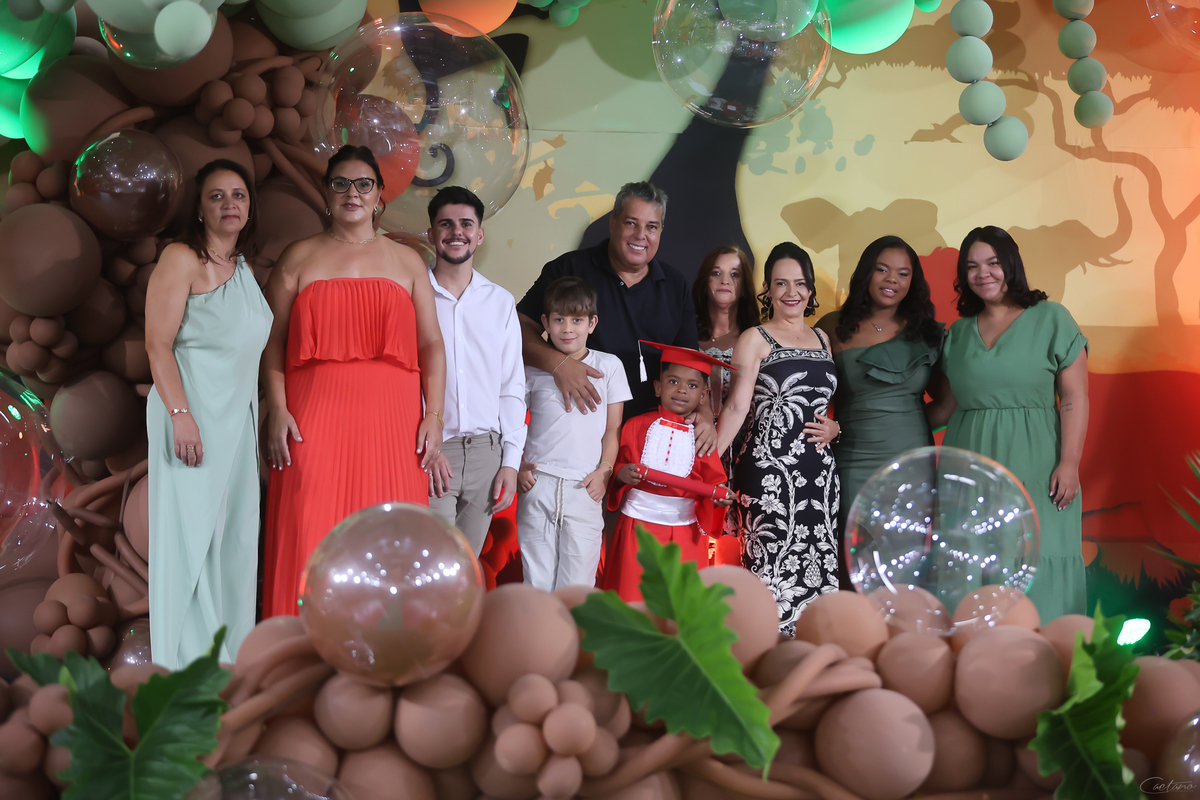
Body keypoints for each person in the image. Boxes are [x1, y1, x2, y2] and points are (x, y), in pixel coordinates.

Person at [261, 145, 446, 618]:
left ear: (380, 195)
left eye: (364, 184)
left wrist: (435, 416)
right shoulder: (298, 257)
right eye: (340, 183)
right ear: (327, 192)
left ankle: (386, 648)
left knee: (388, 537)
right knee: (310, 528)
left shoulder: (408, 261)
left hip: (394, 423)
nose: (353, 193)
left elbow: (432, 345)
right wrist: (277, 408)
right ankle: (301, 646)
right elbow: (271, 343)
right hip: (312, 419)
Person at [145, 159, 271, 667]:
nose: (229, 204)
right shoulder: (181, 258)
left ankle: (228, 665)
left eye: (238, 195)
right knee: (192, 541)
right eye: (216, 196)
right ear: (199, 209)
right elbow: (157, 344)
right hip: (191, 414)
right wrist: (181, 414)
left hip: (236, 422)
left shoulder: (243, 269)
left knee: (234, 541)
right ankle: (184, 668)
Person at [927, 226, 1089, 621]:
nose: (983, 273)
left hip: (1036, 462)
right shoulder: (957, 334)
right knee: (969, 559)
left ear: (1011, 264)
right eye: (972, 266)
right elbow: (945, 407)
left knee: (1038, 555)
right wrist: (877, 417)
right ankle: (973, 653)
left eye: (993, 263)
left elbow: (1074, 397)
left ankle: (1045, 653)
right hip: (968, 467)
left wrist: (1069, 463)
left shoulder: (1052, 318)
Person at [516, 183, 713, 450]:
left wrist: (703, 410)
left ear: (660, 231)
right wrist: (558, 364)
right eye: (631, 223)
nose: (640, 235)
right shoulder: (568, 268)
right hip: (572, 429)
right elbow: (518, 327)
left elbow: (691, 362)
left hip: (645, 439)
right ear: (612, 223)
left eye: (651, 227)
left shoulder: (676, 285)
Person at [716, 243, 842, 635]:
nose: (792, 292)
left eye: (800, 283)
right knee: (768, 569)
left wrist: (836, 428)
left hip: (820, 477)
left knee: (820, 567)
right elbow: (737, 407)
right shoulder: (754, 338)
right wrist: (709, 462)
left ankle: (815, 654)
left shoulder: (822, 338)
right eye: (781, 283)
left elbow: (826, 403)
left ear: (810, 289)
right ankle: (765, 655)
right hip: (768, 474)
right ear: (767, 289)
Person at [815, 235, 944, 533]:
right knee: (854, 551)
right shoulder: (831, 326)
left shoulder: (927, 333)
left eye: (903, 273)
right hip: (852, 460)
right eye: (882, 269)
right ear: (866, 273)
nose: (892, 280)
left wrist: (898, 425)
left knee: (907, 553)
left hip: (912, 462)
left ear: (913, 281)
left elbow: (946, 403)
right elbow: (811, 394)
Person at [425, 186, 527, 555]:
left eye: (466, 224)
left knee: (465, 569)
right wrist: (427, 449)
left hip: (488, 455)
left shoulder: (500, 302)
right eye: (446, 224)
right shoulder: (414, 297)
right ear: (432, 234)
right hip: (434, 455)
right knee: (431, 567)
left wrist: (510, 462)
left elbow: (511, 385)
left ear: (479, 235)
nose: (457, 232)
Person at [517, 277, 630, 590]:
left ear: (592, 323)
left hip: (584, 487)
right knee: (536, 582)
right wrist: (518, 465)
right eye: (559, 320)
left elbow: (613, 429)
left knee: (578, 586)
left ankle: (571, 628)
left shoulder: (610, 366)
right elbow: (513, 423)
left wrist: (605, 471)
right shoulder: (532, 369)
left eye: (577, 320)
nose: (567, 329)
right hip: (537, 483)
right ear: (545, 322)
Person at [602, 343, 733, 601]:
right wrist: (621, 475)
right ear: (658, 387)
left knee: (678, 601)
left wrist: (719, 497)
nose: (682, 390)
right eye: (673, 381)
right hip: (636, 527)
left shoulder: (702, 438)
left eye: (692, 386)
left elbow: (715, 482)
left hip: (684, 532)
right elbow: (618, 467)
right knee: (632, 594)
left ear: (703, 396)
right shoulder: (635, 425)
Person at [695, 244, 759, 420]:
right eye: (716, 273)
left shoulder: (758, 339)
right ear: (705, 282)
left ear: (745, 288)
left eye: (734, 274)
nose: (725, 280)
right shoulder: (684, 334)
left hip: (743, 435)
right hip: (688, 433)